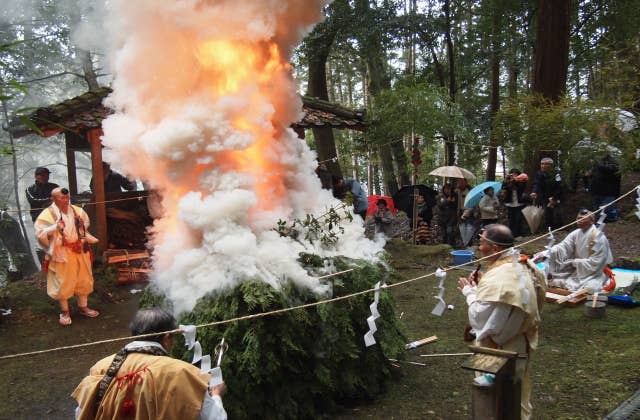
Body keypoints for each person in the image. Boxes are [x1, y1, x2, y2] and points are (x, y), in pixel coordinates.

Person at [72, 308, 227, 419]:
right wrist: (216, 395)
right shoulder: (182, 373)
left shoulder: (101, 366)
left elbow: (81, 413)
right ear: (167, 338)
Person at [457, 224, 545, 420]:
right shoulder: (521, 263)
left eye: (481, 242)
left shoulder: (501, 277)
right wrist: (483, 283)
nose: (478, 247)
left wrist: (469, 292)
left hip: (502, 347)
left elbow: (481, 318)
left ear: (495, 248)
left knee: (501, 400)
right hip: (520, 340)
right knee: (515, 394)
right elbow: (506, 300)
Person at [34, 187, 99, 326]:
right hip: (61, 252)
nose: (65, 200)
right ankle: (65, 311)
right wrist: (54, 228)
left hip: (79, 249)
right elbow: (40, 234)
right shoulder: (46, 215)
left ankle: (83, 307)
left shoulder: (77, 210)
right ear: (53, 199)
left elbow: (85, 225)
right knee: (63, 281)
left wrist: (81, 225)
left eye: (67, 198)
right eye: (61, 198)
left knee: (84, 279)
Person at [534, 209, 614, 292]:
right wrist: (547, 252)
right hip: (576, 268)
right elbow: (563, 247)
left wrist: (576, 262)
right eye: (578, 218)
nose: (579, 221)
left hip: (592, 272)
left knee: (590, 288)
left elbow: (598, 262)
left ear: (592, 221)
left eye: (583, 219)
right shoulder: (576, 233)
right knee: (555, 280)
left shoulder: (598, 237)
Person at [530, 157, 564, 231]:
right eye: (542, 164)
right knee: (547, 214)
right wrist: (534, 192)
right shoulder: (539, 173)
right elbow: (536, 184)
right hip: (544, 197)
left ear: (551, 165)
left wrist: (554, 198)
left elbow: (560, 186)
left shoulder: (557, 174)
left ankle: (559, 230)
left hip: (556, 196)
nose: (543, 166)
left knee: (557, 213)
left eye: (546, 164)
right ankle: (549, 230)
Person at [589, 154, 621, 222]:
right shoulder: (598, 165)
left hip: (608, 193)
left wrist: (597, 164)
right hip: (597, 192)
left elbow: (609, 170)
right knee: (598, 212)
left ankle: (610, 222)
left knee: (608, 213)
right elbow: (594, 176)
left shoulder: (613, 164)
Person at [500, 169, 528, 236]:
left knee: (518, 219)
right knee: (510, 219)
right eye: (512, 173)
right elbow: (504, 188)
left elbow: (521, 188)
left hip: (519, 203)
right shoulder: (507, 181)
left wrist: (515, 180)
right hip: (510, 204)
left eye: (516, 173)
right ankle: (511, 234)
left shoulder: (522, 181)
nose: (514, 175)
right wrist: (506, 180)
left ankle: (518, 234)